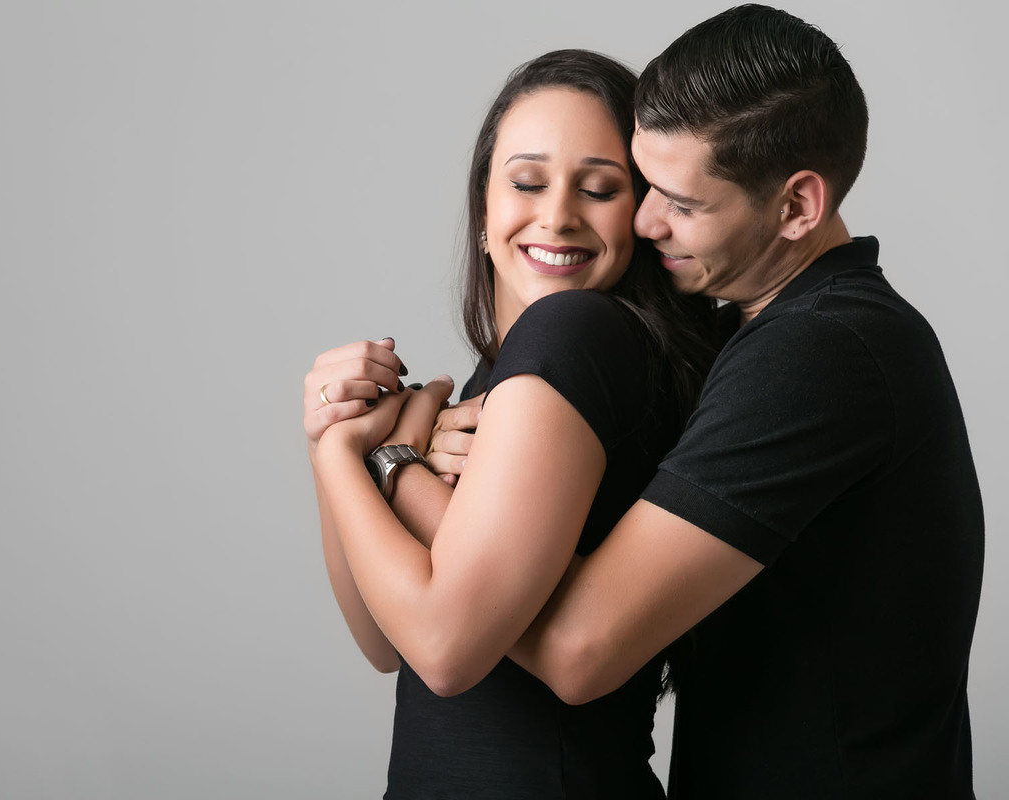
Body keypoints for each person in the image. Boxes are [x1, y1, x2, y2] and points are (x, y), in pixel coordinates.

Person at [427, 6, 983, 798]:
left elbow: (579, 652)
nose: (645, 220)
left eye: (681, 202)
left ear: (797, 207)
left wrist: (395, 468)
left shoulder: (820, 352)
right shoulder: (757, 336)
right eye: (643, 183)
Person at [302, 50, 716, 798]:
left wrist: (357, 458)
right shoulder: (505, 373)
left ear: (641, 216)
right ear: (484, 215)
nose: (557, 215)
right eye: (527, 182)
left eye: (599, 189)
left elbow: (442, 648)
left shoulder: (579, 334)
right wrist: (339, 442)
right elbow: (383, 638)